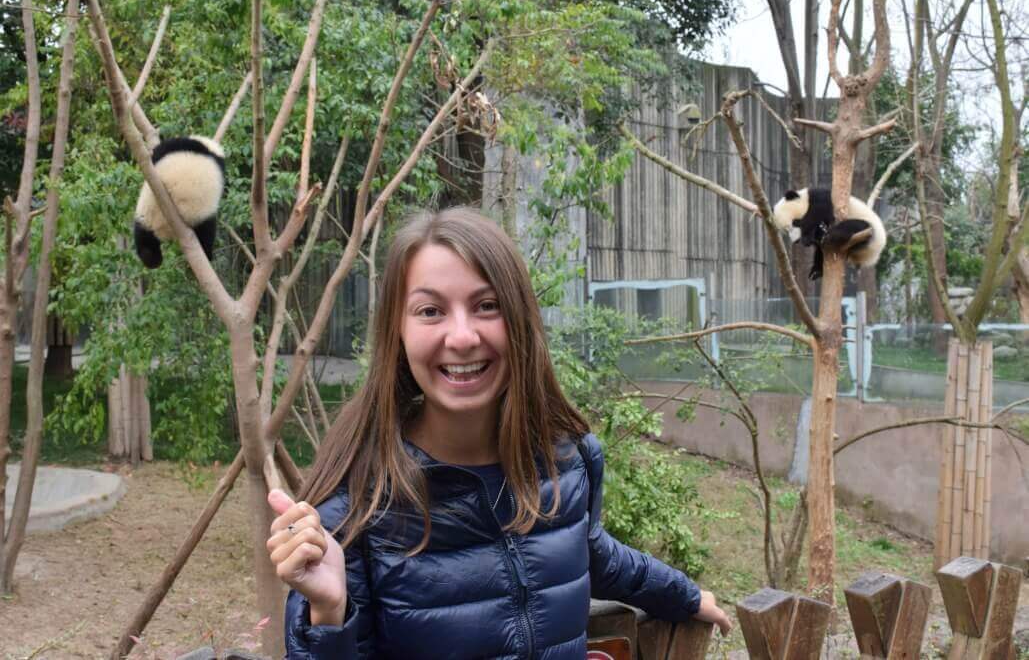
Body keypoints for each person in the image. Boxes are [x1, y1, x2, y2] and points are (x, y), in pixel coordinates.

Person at [266, 207, 732, 658]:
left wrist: (685, 596)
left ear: (520, 321)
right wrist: (328, 612)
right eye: (430, 311)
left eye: (487, 305)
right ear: (398, 332)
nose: (463, 336)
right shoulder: (357, 507)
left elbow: (591, 552)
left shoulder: (567, 460)